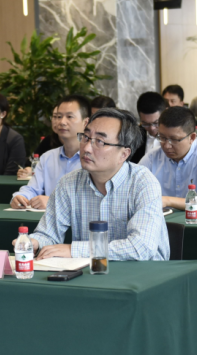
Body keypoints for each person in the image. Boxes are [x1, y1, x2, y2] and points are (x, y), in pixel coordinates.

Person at [22, 108, 169, 261]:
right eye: (85, 137)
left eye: (99, 141)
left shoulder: (143, 182)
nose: (86, 148)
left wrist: (74, 250)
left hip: (143, 272)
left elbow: (142, 247)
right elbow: (48, 234)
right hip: (91, 271)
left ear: (124, 154)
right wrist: (35, 242)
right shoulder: (69, 183)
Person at [140, 107, 197, 211]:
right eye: (162, 138)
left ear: (192, 138)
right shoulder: (152, 157)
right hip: (165, 220)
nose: (166, 145)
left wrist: (167, 201)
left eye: (174, 139)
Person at [12, 95, 88, 209]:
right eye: (58, 116)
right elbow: (32, 189)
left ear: (85, 123)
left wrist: (53, 202)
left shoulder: (94, 158)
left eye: (69, 116)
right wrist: (20, 197)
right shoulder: (48, 157)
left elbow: (91, 200)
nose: (62, 122)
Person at [133, 91, 166, 161]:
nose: (152, 128)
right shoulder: (135, 137)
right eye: (146, 124)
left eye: (156, 123)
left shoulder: (173, 136)